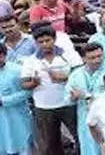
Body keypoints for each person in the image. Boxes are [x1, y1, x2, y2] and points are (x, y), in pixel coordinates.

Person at [22, 26, 81, 155]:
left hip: (69, 104)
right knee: (49, 143)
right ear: (35, 43)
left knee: (79, 136)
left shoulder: (69, 55)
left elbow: (81, 75)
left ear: (54, 39)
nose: (44, 44)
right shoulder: (30, 61)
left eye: (47, 40)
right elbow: (24, 84)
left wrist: (65, 78)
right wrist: (33, 83)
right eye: (40, 42)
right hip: (44, 107)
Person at [67, 42, 105, 155]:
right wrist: (72, 97)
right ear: (83, 58)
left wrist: (87, 96)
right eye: (92, 58)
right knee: (89, 148)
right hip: (85, 116)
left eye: (99, 56)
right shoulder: (76, 74)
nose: (97, 60)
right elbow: (67, 97)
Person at [0, 44, 32, 155]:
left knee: (22, 146)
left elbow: (28, 91)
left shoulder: (18, 70)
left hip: (17, 115)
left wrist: (4, 100)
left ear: (4, 55)